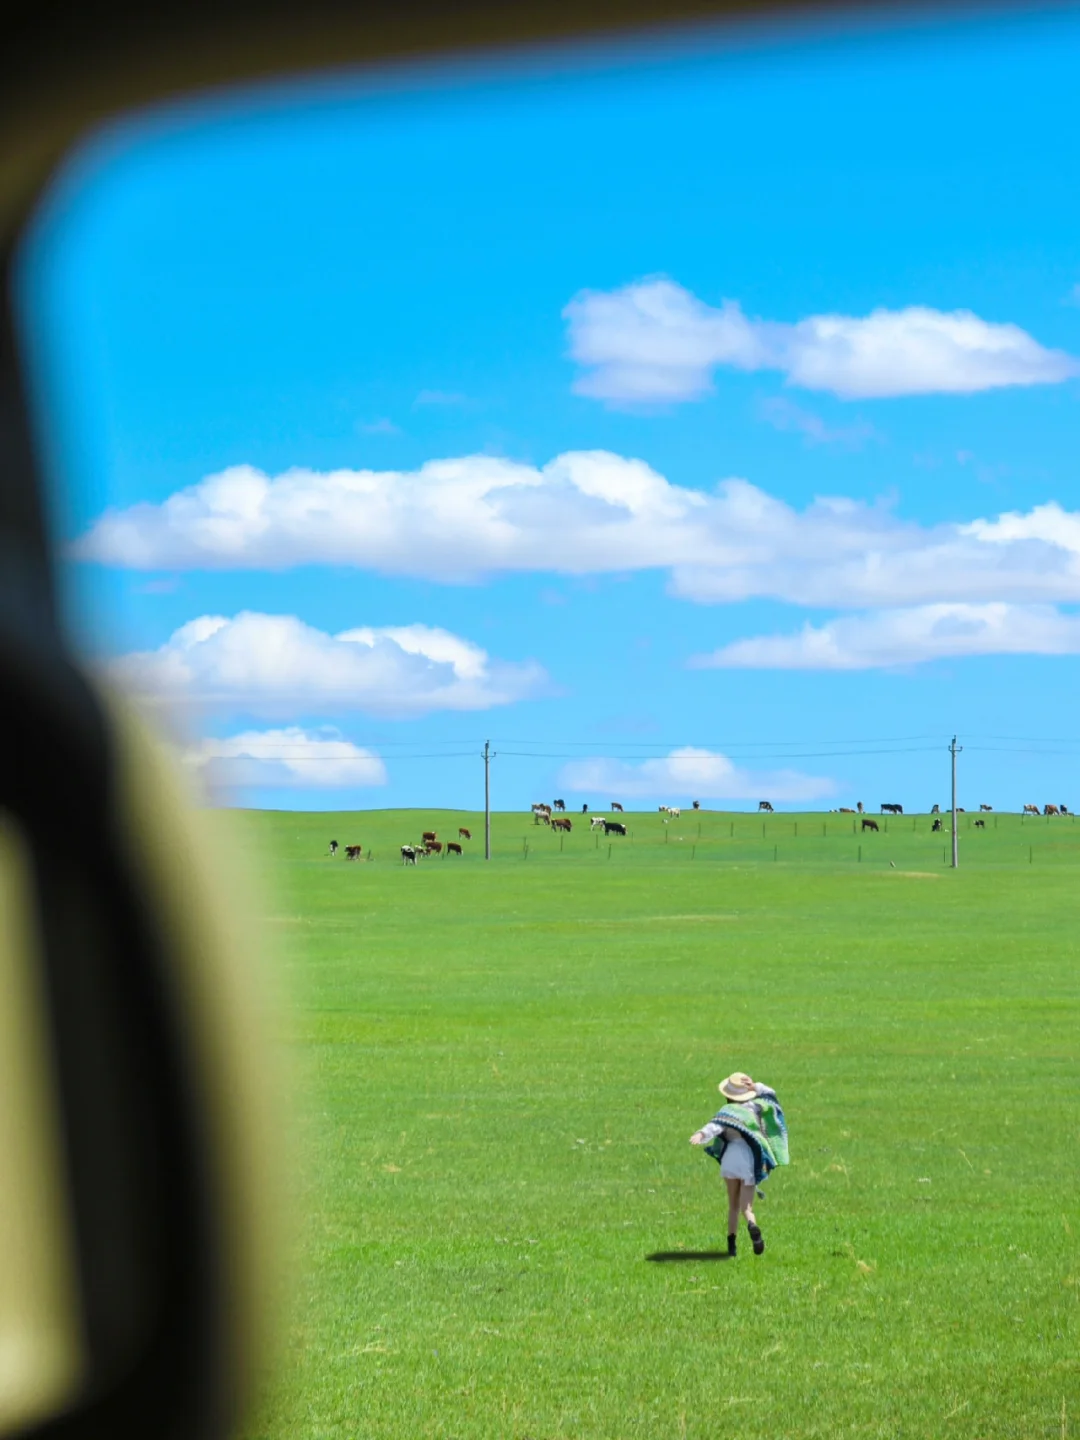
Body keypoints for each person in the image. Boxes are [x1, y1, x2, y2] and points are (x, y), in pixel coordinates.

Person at [689, 1071, 788, 1258]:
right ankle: (752, 1226)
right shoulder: (756, 1108)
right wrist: (757, 1086)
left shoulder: (727, 1112)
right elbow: (772, 1096)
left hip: (730, 1160)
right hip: (748, 1160)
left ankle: (731, 1247)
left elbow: (714, 1127)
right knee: (746, 1207)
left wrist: (700, 1135)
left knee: (732, 1206)